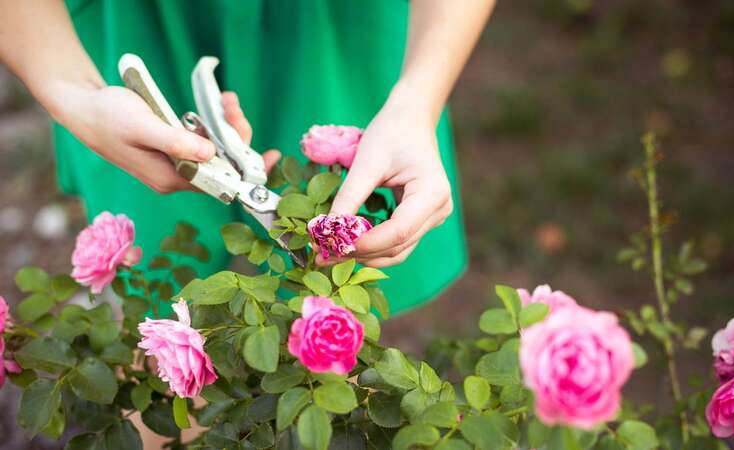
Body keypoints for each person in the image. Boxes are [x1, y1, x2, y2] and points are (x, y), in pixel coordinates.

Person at [0, 0, 495, 314]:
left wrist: (416, 100)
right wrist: (75, 92)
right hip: (143, 22)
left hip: (333, 34)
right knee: (162, 319)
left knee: (343, 306)